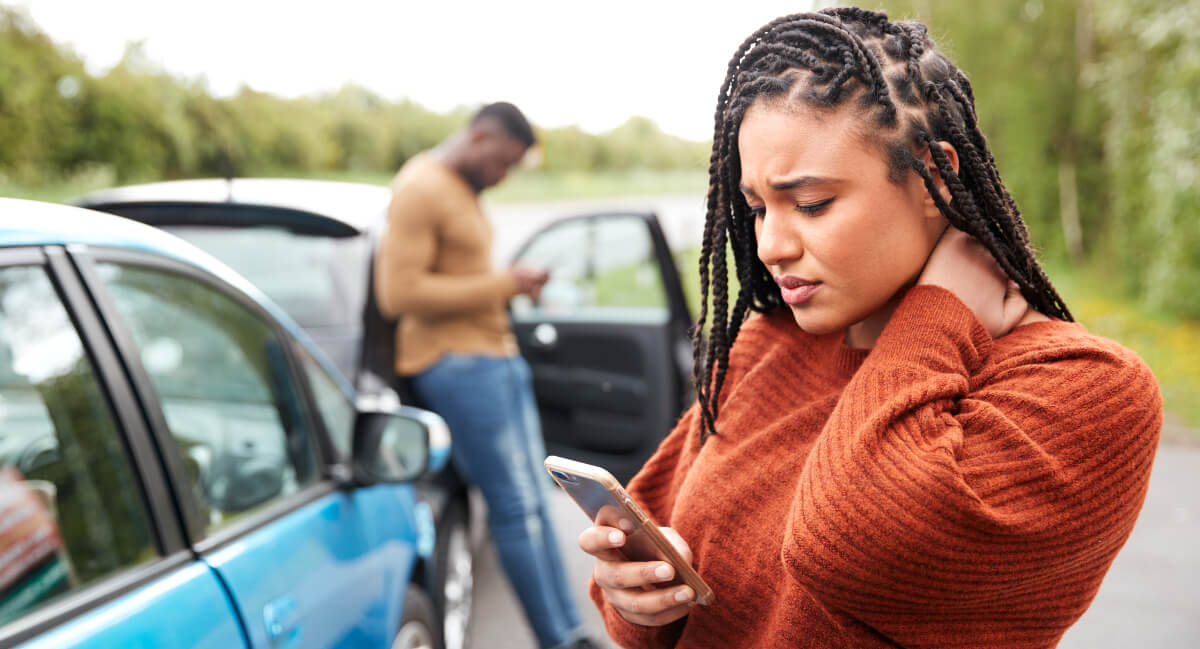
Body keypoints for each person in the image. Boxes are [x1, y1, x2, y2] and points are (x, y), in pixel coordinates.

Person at [578, 8, 1161, 649]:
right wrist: (639, 603)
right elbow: (653, 569)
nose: (770, 244)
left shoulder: (1087, 388)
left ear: (933, 176)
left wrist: (937, 314)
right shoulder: (769, 344)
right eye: (756, 208)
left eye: (810, 204)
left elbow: (851, 548)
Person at [374, 102, 596, 649]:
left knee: (539, 504)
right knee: (516, 508)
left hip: (494, 357)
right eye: (503, 162)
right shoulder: (421, 187)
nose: (504, 176)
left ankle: (573, 631)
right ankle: (559, 640)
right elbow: (397, 294)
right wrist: (506, 284)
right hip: (457, 363)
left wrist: (507, 286)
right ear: (479, 138)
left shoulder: (461, 189)